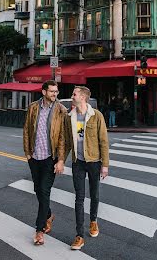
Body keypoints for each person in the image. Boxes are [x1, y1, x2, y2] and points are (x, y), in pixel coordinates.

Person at [65, 86, 109, 251]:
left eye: (74, 94)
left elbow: (103, 141)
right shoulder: (71, 117)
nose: (72, 96)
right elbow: (69, 142)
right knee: (79, 198)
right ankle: (79, 235)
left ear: (83, 97)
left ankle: (93, 220)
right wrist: (61, 159)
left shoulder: (96, 116)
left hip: (94, 161)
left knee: (95, 194)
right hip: (78, 162)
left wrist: (105, 165)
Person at [23, 80, 67, 246]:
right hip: (34, 158)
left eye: (56, 92)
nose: (55, 94)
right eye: (52, 91)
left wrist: (61, 160)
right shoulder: (33, 107)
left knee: (44, 190)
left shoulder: (61, 110)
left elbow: (62, 138)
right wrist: (28, 153)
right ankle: (48, 215)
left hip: (50, 158)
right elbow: (27, 130)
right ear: (43, 92)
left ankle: (39, 230)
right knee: (38, 190)